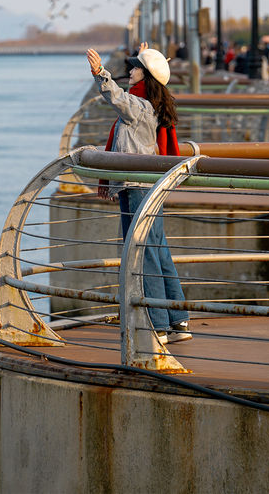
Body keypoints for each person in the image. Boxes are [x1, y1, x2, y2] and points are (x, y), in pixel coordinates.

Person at [86, 43, 191, 344]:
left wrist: (99, 73)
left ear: (144, 75)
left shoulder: (139, 106)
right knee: (158, 250)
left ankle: (157, 324)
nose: (129, 71)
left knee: (143, 252)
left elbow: (114, 97)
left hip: (135, 185)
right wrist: (145, 53)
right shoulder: (153, 103)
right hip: (150, 185)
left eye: (134, 67)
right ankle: (178, 319)